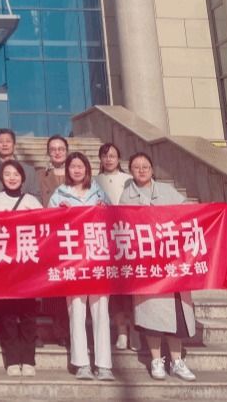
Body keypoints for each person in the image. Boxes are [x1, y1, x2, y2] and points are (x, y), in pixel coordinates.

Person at [119, 152, 197, 381]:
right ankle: (156, 360)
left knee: (177, 316)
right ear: (130, 171)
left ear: (152, 169)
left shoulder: (167, 191)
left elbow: (188, 214)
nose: (142, 170)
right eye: (136, 167)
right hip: (147, 267)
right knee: (151, 315)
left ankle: (177, 361)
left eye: (146, 166)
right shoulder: (126, 197)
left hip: (173, 264)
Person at [49, 152, 114, 381]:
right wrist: (59, 213)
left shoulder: (99, 192)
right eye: (73, 166)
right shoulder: (59, 194)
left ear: (87, 169)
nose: (77, 170)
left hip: (97, 258)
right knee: (76, 311)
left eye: (80, 166)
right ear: (67, 170)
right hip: (73, 260)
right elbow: (49, 224)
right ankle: (81, 363)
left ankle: (104, 365)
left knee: (101, 311)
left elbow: (115, 220)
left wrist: (105, 210)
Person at [0, 160, 42, 377]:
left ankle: (28, 359)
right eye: (7, 174)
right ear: (1, 178)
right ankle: (12, 360)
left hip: (28, 266)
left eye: (16, 174)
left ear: (23, 178)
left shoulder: (32, 201)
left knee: (28, 314)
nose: (12, 178)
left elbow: (44, 228)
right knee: (7, 315)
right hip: (5, 268)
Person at [94, 143, 137, 351]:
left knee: (133, 286)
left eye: (112, 155)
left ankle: (135, 330)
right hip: (107, 237)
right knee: (115, 288)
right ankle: (121, 331)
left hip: (130, 235)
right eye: (105, 156)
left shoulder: (129, 179)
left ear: (119, 158)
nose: (109, 159)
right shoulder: (95, 181)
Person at [36, 135, 70, 347]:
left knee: (68, 282)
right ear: (48, 153)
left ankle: (66, 331)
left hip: (73, 234)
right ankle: (52, 330)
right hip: (49, 234)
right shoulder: (40, 175)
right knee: (52, 281)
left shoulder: (77, 172)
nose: (57, 152)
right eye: (53, 149)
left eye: (61, 149)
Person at [0, 128, 40, 197]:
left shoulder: (29, 170)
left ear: (14, 144)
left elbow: (36, 196)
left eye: (8, 141)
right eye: (1, 142)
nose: (5, 144)